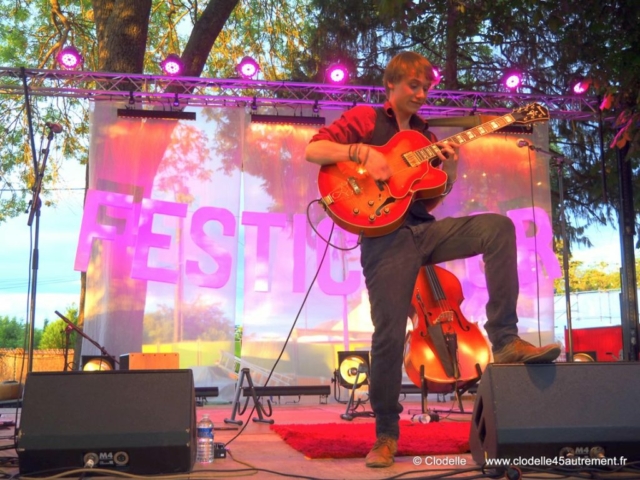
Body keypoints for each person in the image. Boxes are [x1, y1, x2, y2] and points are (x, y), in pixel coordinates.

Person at [305, 51, 560, 468]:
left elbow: (428, 197)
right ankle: (386, 433)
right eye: (414, 86)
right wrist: (362, 153)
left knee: (497, 228)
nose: (422, 94)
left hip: (423, 230)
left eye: (426, 87)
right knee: (388, 335)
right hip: (386, 240)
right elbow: (314, 151)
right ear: (392, 84)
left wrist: (452, 173)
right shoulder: (368, 119)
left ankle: (505, 340)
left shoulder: (425, 135)